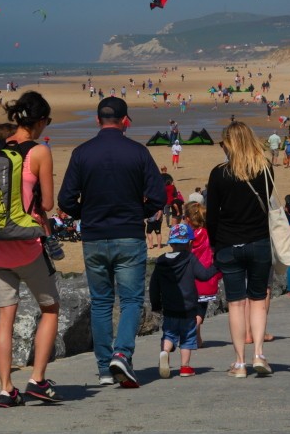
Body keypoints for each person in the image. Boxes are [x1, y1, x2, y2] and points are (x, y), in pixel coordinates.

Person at [59, 97, 165, 388]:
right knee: (130, 299)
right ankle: (121, 353)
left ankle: (106, 367)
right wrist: (137, 212)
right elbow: (158, 197)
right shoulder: (138, 152)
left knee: (102, 301)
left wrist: (87, 213)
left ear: (98, 120)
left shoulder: (82, 153)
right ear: (125, 121)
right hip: (128, 233)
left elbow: (65, 200)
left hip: (95, 236)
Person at [0, 92, 63, 407]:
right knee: (50, 308)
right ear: (39, 122)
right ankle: (37, 379)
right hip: (26, 245)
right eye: (46, 121)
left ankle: (6, 389)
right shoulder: (40, 151)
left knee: (5, 320)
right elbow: (49, 203)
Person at [205, 121, 275, 377]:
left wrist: (214, 243)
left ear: (230, 144)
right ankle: (258, 353)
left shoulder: (219, 173)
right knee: (258, 299)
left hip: (228, 243)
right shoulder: (265, 169)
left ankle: (239, 363)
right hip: (259, 241)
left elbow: (212, 216)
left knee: (236, 304)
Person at [150, 220, 217, 379]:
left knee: (169, 334)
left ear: (171, 243)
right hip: (188, 309)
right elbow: (204, 275)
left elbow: (154, 285)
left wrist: (156, 304)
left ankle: (165, 352)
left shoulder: (160, 261)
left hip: (169, 309)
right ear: (189, 243)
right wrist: (218, 265)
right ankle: (185, 367)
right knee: (187, 338)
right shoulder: (189, 258)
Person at [187, 202, 219, 346]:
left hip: (189, 278)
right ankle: (195, 336)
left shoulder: (187, 236)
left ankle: (192, 333)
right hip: (206, 278)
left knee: (193, 309)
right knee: (200, 310)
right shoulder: (208, 234)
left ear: (188, 219)